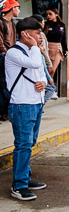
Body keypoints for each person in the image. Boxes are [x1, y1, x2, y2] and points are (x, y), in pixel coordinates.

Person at [6, 17, 50, 201]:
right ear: (25, 34)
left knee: (30, 142)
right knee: (23, 144)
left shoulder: (34, 52)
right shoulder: (14, 53)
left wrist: (43, 82)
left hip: (36, 102)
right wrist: (33, 47)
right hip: (22, 104)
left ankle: (25, 176)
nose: (40, 36)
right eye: (37, 33)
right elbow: (34, 64)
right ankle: (19, 185)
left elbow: (42, 73)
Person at [43, 8, 67, 79]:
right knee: (47, 68)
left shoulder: (62, 25)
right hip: (47, 47)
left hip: (58, 47)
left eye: (50, 14)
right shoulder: (46, 25)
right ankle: (47, 84)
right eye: (47, 14)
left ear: (56, 14)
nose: (48, 16)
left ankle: (49, 84)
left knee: (53, 69)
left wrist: (65, 50)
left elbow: (63, 38)